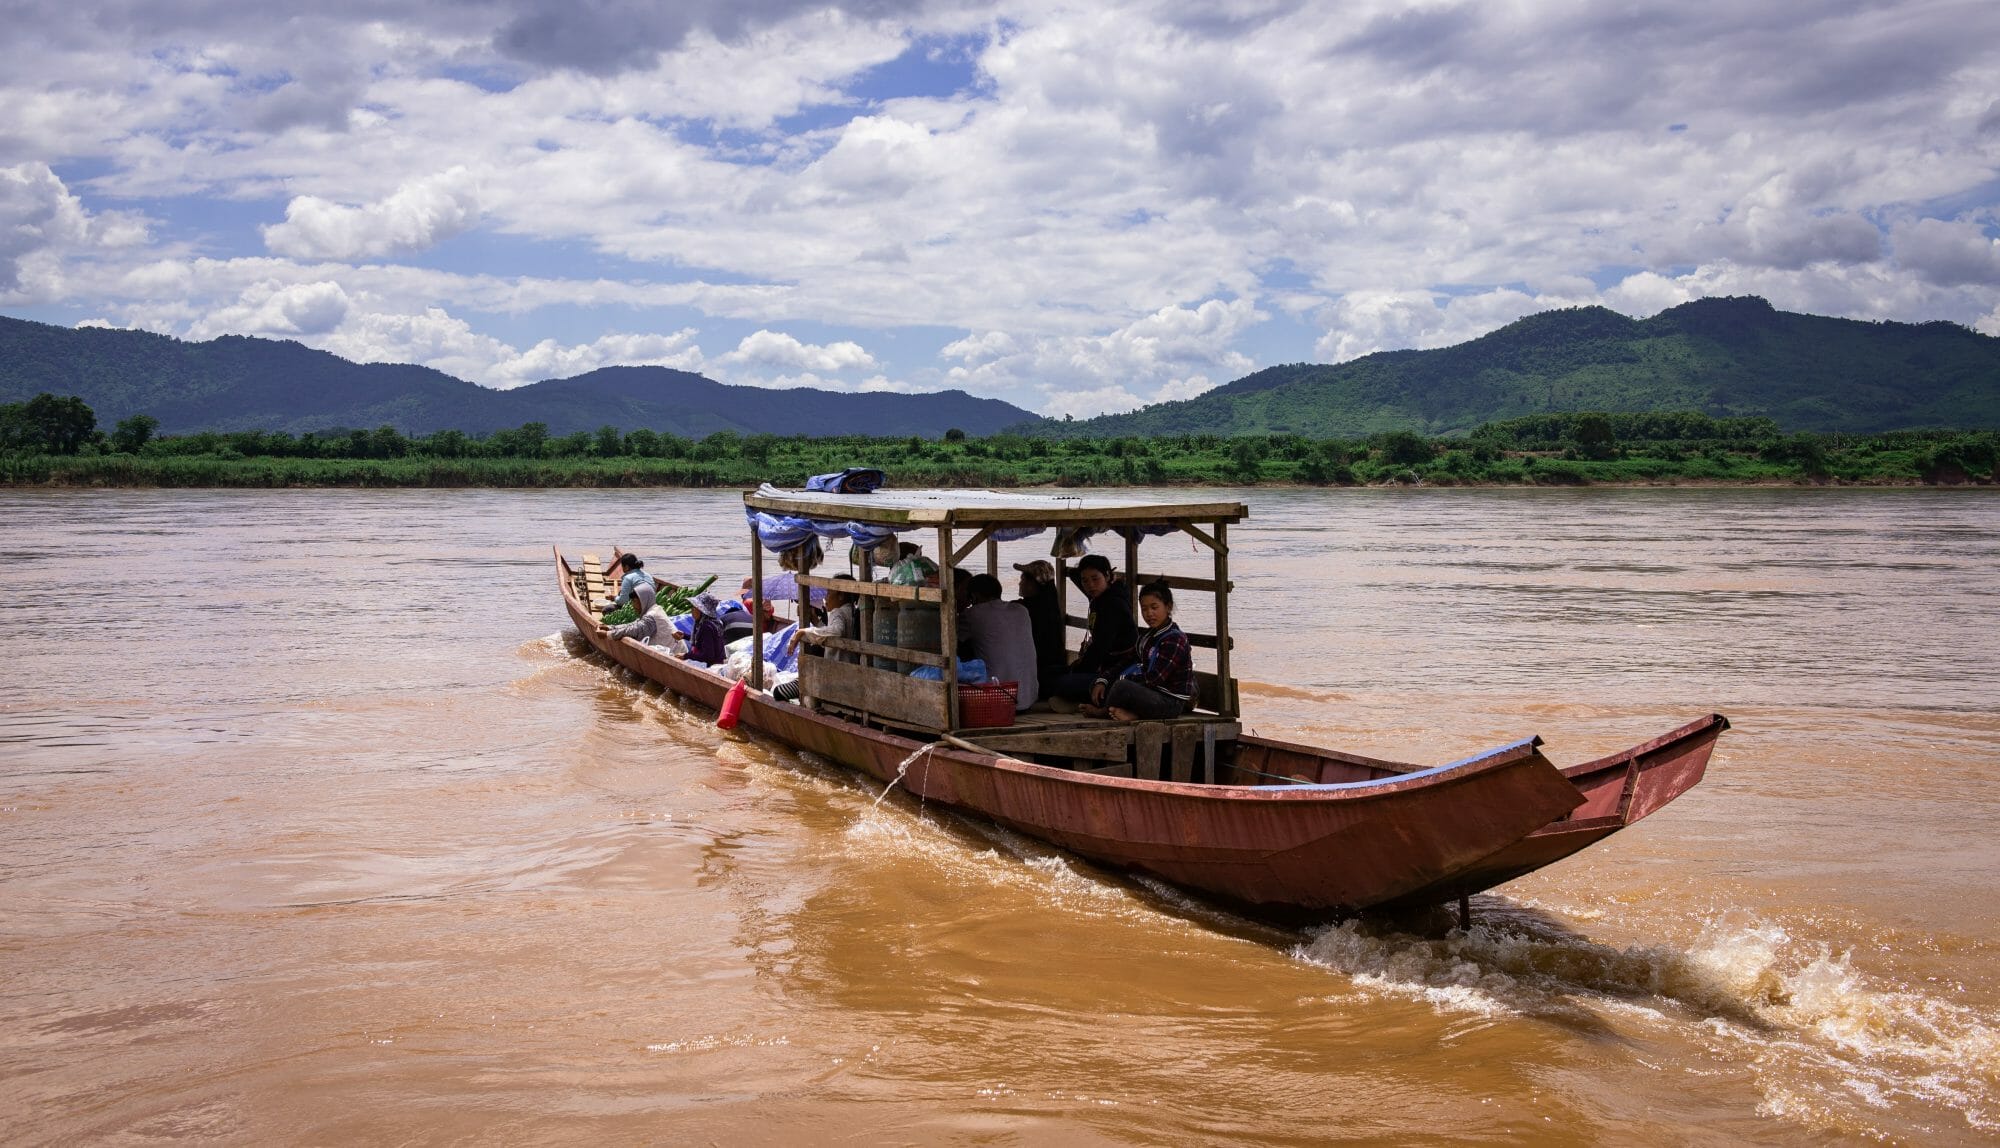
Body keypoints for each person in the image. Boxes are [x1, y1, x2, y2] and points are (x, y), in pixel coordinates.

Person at [1086, 580, 1193, 721]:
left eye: (1154, 608)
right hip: (1149, 693)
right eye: (1144, 609)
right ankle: (1130, 713)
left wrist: (1123, 680)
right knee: (1098, 684)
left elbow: (1155, 678)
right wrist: (1104, 679)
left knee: (1122, 686)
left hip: (1169, 703)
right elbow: (1127, 661)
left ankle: (1105, 712)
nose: (1149, 614)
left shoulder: (1175, 639)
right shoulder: (1147, 637)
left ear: (1168, 607)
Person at [1046, 554, 1137, 706]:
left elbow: (1099, 648)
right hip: (1104, 664)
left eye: (1095, 579)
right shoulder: (1100, 597)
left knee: (1059, 682)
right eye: (1085, 581)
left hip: (1118, 670)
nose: (1090, 585)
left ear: (1107, 576)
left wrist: (1076, 671)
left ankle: (1083, 700)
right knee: (1050, 672)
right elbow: (1076, 574)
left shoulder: (1113, 605)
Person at [958, 573, 1039, 710]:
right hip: (1029, 697)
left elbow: (951, 641)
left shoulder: (973, 614)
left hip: (997, 699)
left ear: (974, 596)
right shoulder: (1021, 610)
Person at [775, 575, 859, 702]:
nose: (826, 597)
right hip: (849, 670)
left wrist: (803, 632)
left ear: (841, 596)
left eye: (829, 593)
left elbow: (836, 631)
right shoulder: (853, 612)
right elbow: (834, 631)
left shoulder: (838, 612)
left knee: (778, 692)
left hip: (836, 675)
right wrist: (815, 621)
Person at [1013, 559, 1067, 684]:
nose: (1020, 584)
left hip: (1039, 676)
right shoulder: (1050, 604)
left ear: (1033, 584)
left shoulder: (1024, 609)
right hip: (1052, 672)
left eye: (1023, 580)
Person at [594, 580, 666, 646]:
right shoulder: (653, 610)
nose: (633, 605)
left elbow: (634, 630)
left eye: (635, 601)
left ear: (643, 601)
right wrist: (610, 627)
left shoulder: (652, 615)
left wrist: (609, 634)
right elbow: (633, 625)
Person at [680, 592, 727, 667]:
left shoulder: (706, 627)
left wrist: (686, 656)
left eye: (694, 608)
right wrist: (684, 636)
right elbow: (702, 640)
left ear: (701, 611)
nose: (691, 610)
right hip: (717, 662)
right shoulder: (715, 622)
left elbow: (707, 656)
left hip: (711, 666)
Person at [599, 553, 652, 617]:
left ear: (626, 567)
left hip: (638, 610)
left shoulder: (628, 578)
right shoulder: (648, 575)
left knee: (606, 610)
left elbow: (622, 602)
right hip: (650, 608)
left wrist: (614, 598)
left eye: (622, 566)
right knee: (620, 592)